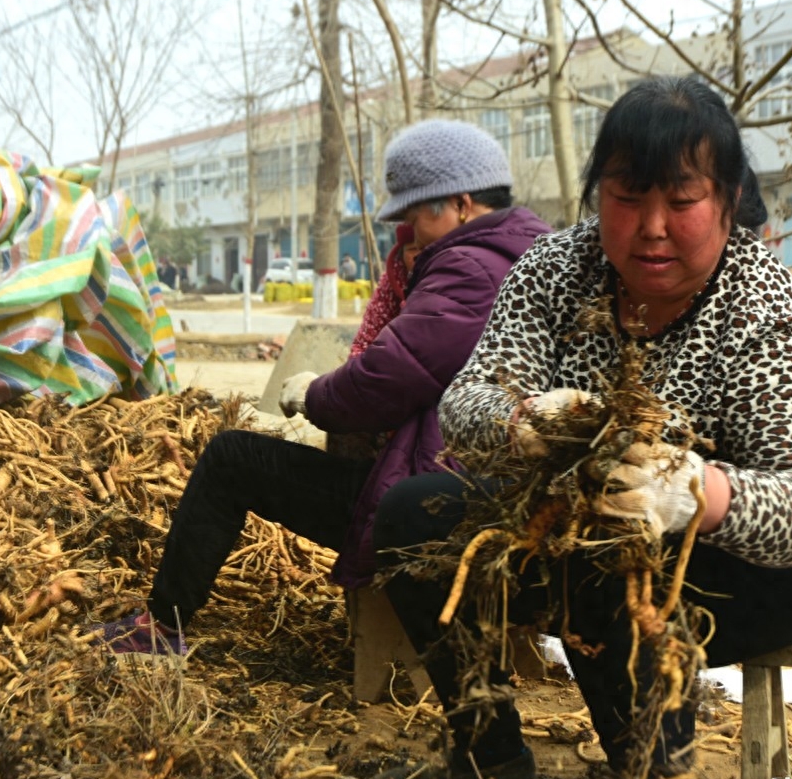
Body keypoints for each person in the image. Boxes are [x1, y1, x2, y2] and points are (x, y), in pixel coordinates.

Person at [373, 76, 792, 779]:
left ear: (728, 200)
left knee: (609, 564)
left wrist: (700, 492)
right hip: (578, 528)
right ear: (599, 193)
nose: (652, 227)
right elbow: (465, 401)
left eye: (682, 201)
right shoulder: (556, 271)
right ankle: (489, 755)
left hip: (755, 566)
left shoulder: (767, 311)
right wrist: (524, 420)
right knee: (414, 514)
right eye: (627, 197)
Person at [96, 119, 552, 656]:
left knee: (229, 459)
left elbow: (379, 382)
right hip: (488, 493)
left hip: (436, 504)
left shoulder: (469, 269)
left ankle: (161, 629)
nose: (407, 234)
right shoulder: (532, 254)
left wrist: (310, 395)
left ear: (459, 204)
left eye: (412, 216)